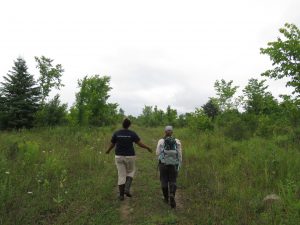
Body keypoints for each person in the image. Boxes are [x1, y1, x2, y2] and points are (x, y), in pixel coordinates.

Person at [106, 118, 152, 201]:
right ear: (129, 125)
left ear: (122, 124)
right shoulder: (132, 133)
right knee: (130, 171)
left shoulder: (117, 133)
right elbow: (139, 144)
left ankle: (121, 195)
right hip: (130, 156)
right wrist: (147, 147)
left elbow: (112, 144)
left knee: (121, 175)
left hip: (119, 156)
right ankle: (127, 188)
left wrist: (108, 150)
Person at [156, 125, 182, 208]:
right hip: (174, 164)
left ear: (165, 132)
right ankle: (172, 195)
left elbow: (157, 153)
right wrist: (179, 163)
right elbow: (179, 154)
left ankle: (166, 198)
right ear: (172, 132)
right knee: (173, 180)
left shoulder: (161, 141)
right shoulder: (177, 141)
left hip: (163, 164)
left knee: (164, 180)